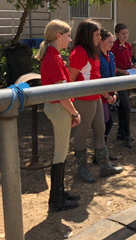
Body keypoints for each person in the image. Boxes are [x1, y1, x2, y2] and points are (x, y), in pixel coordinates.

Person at [69, 19, 123, 183]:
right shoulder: (79, 52)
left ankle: (105, 166)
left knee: (100, 130)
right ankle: (82, 169)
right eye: (97, 35)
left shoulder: (94, 52)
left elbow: (96, 77)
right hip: (84, 100)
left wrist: (106, 96)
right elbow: (71, 80)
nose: (100, 38)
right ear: (87, 36)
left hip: (97, 98)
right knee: (82, 134)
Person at [36, 20, 81, 212]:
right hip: (58, 108)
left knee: (62, 151)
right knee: (60, 152)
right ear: (58, 36)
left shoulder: (53, 55)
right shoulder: (53, 58)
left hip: (57, 107)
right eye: (68, 35)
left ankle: (60, 193)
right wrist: (75, 112)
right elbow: (62, 93)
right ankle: (56, 200)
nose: (70, 39)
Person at [95, 28, 119, 163]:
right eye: (108, 41)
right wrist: (106, 96)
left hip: (109, 94)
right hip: (100, 96)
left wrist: (114, 93)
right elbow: (96, 79)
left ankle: (101, 152)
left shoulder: (110, 56)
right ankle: (100, 153)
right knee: (106, 123)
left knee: (107, 123)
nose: (111, 44)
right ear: (101, 42)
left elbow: (113, 76)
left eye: (112, 42)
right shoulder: (97, 56)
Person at [111, 23, 134, 148]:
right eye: (123, 33)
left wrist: (133, 67)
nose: (125, 36)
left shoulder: (128, 46)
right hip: (119, 78)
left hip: (128, 77)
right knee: (126, 106)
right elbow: (112, 66)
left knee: (122, 106)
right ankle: (127, 135)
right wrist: (121, 71)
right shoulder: (113, 47)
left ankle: (121, 131)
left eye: (127, 33)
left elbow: (128, 62)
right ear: (117, 34)